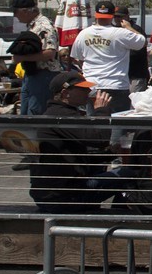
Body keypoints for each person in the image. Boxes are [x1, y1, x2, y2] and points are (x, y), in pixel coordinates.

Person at [28, 71, 118, 214]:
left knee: (110, 172)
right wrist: (102, 111)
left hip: (51, 196)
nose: (88, 91)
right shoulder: (61, 116)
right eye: (82, 89)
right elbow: (99, 139)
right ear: (65, 93)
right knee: (128, 174)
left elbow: (74, 156)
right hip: (66, 197)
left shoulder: (56, 113)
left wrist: (110, 154)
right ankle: (126, 218)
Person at [70, 1, 146, 113]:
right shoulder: (121, 33)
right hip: (115, 85)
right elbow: (142, 42)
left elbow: (76, 58)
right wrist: (129, 27)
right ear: (112, 16)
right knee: (117, 124)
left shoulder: (83, 33)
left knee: (94, 123)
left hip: (91, 84)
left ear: (96, 15)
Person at [10, 0, 60, 115]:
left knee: (36, 112)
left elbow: (50, 52)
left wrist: (22, 58)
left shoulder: (43, 26)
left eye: (15, 12)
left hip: (44, 74)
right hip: (32, 74)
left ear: (25, 11)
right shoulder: (32, 25)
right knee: (25, 111)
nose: (15, 16)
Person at [113, 6, 150, 92]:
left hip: (136, 74)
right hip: (120, 75)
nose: (117, 19)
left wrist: (129, 28)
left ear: (127, 16)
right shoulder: (114, 30)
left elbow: (142, 44)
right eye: (115, 16)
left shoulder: (135, 29)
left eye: (120, 16)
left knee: (134, 101)